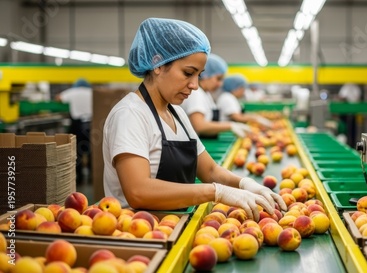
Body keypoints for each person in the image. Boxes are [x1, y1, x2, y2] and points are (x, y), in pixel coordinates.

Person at [102, 18, 285, 221]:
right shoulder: (130, 114)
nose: (195, 85)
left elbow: (210, 170)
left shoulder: (177, 114)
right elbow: (138, 192)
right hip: (141, 237)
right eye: (188, 73)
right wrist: (216, 192)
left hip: (176, 227)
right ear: (157, 64)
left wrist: (245, 184)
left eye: (198, 75)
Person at [180, 54, 250, 138]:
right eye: (218, 79)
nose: (220, 84)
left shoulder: (206, 94)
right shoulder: (196, 93)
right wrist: (230, 126)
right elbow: (199, 126)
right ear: (205, 75)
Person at [56, 78, 92, 182]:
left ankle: (79, 176)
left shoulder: (71, 92)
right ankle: (91, 176)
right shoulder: (91, 92)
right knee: (91, 151)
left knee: (77, 151)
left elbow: (58, 98)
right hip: (91, 124)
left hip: (78, 125)